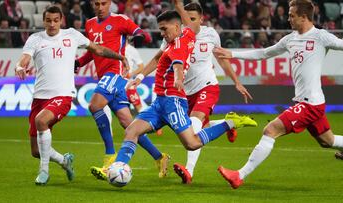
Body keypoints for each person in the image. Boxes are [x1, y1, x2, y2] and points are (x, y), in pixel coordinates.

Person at [112, 0, 257, 177]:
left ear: (176, 26)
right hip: (160, 102)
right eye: (160, 29)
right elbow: (159, 57)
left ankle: (230, 123)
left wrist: (179, 78)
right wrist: (140, 78)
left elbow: (178, 63)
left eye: (164, 29)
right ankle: (117, 167)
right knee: (131, 130)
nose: (162, 33)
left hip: (175, 101)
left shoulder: (181, 44)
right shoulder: (186, 34)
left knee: (193, 142)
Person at [213, 0, 343, 189]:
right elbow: (264, 53)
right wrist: (232, 54)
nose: (288, 19)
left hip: (310, 104)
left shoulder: (321, 37)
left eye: (292, 15)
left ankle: (239, 175)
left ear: (304, 17)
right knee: (327, 141)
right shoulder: (290, 39)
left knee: (270, 130)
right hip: (312, 102)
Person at [15, 5, 130, 185]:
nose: (52, 24)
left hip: (63, 95)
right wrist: (19, 67)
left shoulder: (72, 35)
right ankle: (64, 161)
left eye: (55, 20)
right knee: (36, 151)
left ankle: (43, 172)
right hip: (39, 97)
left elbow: (98, 49)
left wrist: (119, 57)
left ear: (61, 20)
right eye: (48, 20)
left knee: (41, 121)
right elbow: (24, 59)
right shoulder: (35, 39)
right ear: (43, 21)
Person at [74, 0, 169, 180]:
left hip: (115, 74)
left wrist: (140, 36)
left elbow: (141, 33)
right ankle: (160, 157)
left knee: (95, 106)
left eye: (103, 3)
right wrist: (79, 62)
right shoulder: (90, 24)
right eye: (96, 4)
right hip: (105, 77)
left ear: (109, 3)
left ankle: (109, 158)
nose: (100, 7)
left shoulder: (121, 20)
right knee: (129, 124)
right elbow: (93, 51)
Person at [171, 2, 253, 184]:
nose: (189, 22)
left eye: (193, 19)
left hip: (208, 86)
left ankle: (189, 171)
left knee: (193, 126)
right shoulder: (180, 35)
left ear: (201, 19)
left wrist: (237, 82)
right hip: (187, 92)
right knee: (200, 129)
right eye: (186, 19)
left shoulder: (210, 34)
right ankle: (229, 123)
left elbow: (222, 60)